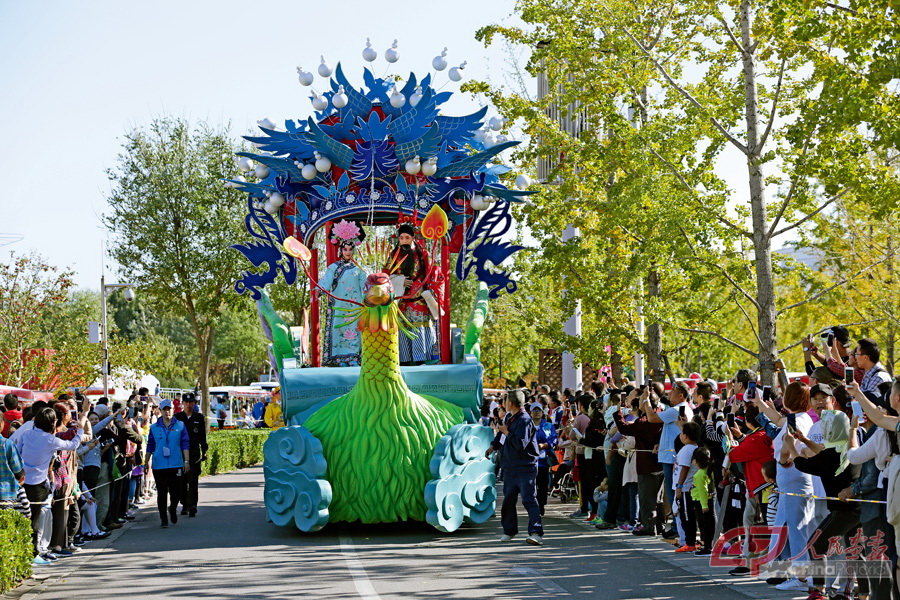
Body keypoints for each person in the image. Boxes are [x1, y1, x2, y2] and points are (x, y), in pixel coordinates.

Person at [19, 406, 87, 562]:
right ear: (51, 422)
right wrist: (81, 431)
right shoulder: (50, 440)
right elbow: (72, 445)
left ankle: (29, 552)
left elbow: (18, 451)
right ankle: (35, 553)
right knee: (38, 520)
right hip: (39, 484)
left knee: (25, 517)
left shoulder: (26, 434)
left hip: (23, 482)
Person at [486, 390, 544, 546]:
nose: (504, 404)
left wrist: (505, 431)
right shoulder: (509, 417)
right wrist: (493, 446)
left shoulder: (525, 420)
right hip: (510, 467)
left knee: (528, 499)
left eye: (505, 401)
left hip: (525, 467)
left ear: (510, 403)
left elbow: (520, 444)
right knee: (508, 500)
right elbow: (502, 436)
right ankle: (509, 530)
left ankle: (536, 532)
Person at [643, 381, 694, 538]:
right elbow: (672, 431)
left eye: (673, 391)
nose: (669, 394)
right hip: (671, 455)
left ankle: (678, 528)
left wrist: (645, 400)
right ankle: (677, 526)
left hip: (673, 458)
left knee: (673, 494)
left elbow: (651, 418)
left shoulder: (677, 409)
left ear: (681, 395)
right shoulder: (680, 409)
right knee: (672, 494)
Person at [318, 220, 367, 367]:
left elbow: (364, 287)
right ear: (341, 250)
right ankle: (339, 360)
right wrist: (318, 289)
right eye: (345, 250)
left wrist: (366, 301)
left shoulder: (359, 269)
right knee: (338, 329)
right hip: (338, 306)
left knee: (355, 331)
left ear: (354, 250)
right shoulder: (333, 267)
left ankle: (353, 358)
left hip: (355, 307)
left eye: (350, 250)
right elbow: (326, 282)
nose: (348, 252)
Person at [387, 223, 438, 365]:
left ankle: (421, 360)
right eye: (401, 238)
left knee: (419, 327)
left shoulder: (423, 254)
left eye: (407, 238)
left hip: (419, 298)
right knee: (402, 328)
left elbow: (429, 273)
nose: (404, 241)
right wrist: (400, 281)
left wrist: (427, 291)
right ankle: (403, 360)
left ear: (413, 238)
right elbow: (386, 275)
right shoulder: (393, 255)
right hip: (401, 299)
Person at [145, 398, 189, 528]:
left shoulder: (180, 425)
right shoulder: (154, 428)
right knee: (162, 492)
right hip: (159, 465)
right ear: (160, 411)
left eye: (169, 409)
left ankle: (173, 507)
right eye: (164, 409)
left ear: (173, 410)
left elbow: (185, 443)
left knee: (176, 492)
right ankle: (163, 518)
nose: (167, 412)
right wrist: (146, 461)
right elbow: (150, 445)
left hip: (176, 463)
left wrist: (186, 461)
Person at [175, 392, 207, 517]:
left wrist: (204, 451)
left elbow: (202, 436)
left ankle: (193, 505)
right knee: (182, 481)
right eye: (186, 402)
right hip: (180, 454)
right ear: (182, 403)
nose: (189, 404)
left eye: (191, 402)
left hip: (194, 453)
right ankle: (184, 504)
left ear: (194, 403)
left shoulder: (199, 418)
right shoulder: (177, 418)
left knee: (193, 480)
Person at [530, 403, 558, 516]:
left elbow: (554, 439)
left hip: (543, 461)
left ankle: (541, 505)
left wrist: (545, 445)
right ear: (530, 412)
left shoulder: (548, 425)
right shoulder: (527, 425)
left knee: (543, 485)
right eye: (534, 410)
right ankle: (532, 506)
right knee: (531, 485)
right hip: (530, 461)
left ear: (542, 412)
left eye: (539, 410)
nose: (537, 412)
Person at [691, 447, 716, 556]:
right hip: (707, 500)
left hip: (701, 502)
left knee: (704, 525)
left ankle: (707, 547)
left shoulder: (700, 474)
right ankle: (707, 544)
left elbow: (702, 490)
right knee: (708, 524)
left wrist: (704, 505)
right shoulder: (709, 470)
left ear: (696, 461)